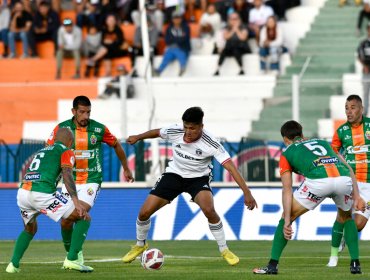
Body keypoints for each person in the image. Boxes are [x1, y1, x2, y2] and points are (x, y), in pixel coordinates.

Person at [121, 107, 258, 266]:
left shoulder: (211, 143)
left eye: (192, 128)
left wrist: (247, 193)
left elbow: (231, 168)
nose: (187, 132)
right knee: (144, 212)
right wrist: (138, 137)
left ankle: (224, 249)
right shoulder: (176, 131)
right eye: (186, 127)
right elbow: (158, 132)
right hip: (174, 174)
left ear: (201, 126)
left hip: (198, 178)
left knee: (209, 210)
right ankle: (140, 245)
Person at [253, 120, 365, 275]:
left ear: (285, 140)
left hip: (318, 183)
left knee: (288, 215)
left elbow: (287, 189)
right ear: (302, 134)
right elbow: (347, 167)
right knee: (347, 218)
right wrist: (357, 196)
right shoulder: (323, 142)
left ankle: (272, 265)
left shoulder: (287, 153)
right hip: (343, 180)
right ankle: (355, 264)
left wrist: (287, 221)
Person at [46, 95, 134, 264]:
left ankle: (73, 256)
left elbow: (116, 144)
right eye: (82, 112)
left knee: (80, 214)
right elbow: (49, 150)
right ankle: (73, 254)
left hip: (91, 179)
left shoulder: (99, 129)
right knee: (65, 222)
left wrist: (126, 167)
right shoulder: (62, 129)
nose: (86, 116)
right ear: (74, 111)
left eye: (88, 112)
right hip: (69, 181)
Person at [5, 128, 94, 273]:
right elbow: (67, 173)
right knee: (84, 217)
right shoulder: (66, 151)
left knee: (29, 229)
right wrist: (76, 201)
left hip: (23, 193)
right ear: (70, 141)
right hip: (42, 193)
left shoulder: (42, 151)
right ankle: (72, 259)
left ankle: (12, 265)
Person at [327, 94, 370, 267]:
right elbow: (332, 154)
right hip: (350, 182)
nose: (349, 111)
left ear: (361, 109)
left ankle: (346, 237)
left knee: (358, 223)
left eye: (352, 107)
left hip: (367, 184)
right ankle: (333, 256)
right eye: (346, 108)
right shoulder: (341, 131)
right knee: (342, 216)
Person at [154, 11, 191, 77]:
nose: (177, 20)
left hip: (183, 48)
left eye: (178, 18)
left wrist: (174, 39)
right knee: (168, 55)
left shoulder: (185, 27)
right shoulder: (169, 28)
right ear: (172, 19)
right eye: (175, 18)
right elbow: (167, 40)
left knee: (178, 51)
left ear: (181, 19)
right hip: (172, 48)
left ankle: (159, 70)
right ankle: (182, 66)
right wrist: (178, 39)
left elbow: (185, 39)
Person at [358, 24, 370, 116]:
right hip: (366, 72)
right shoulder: (363, 43)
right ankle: (365, 113)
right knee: (366, 92)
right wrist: (364, 65)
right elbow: (359, 56)